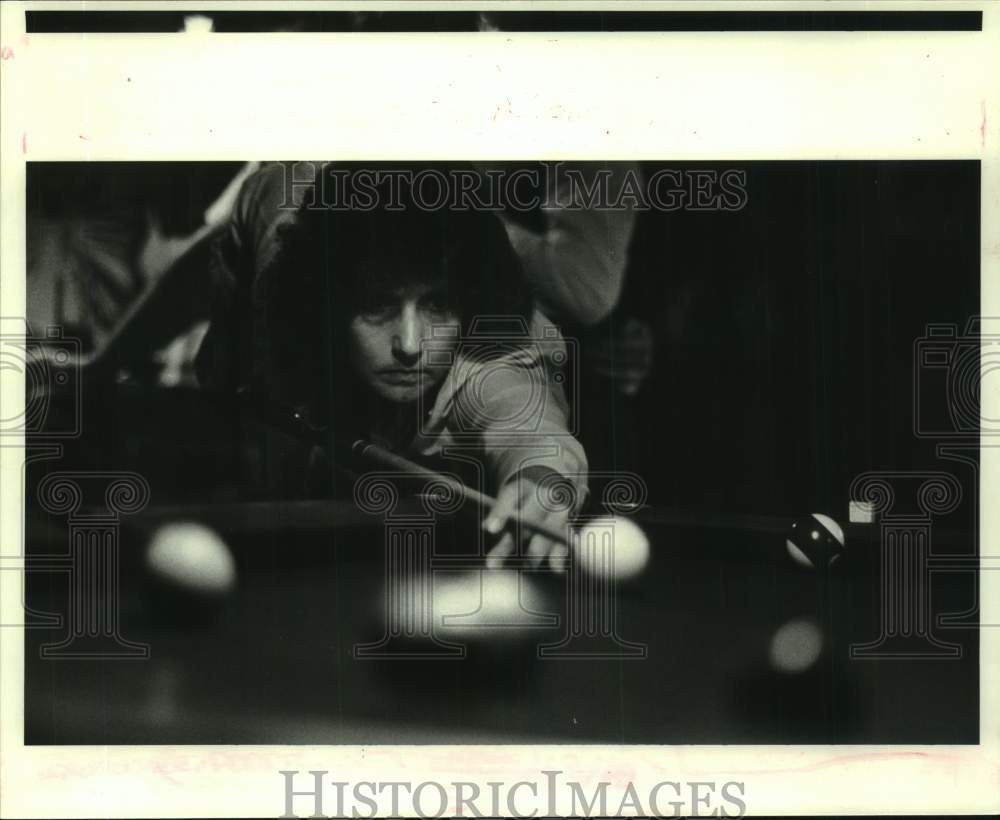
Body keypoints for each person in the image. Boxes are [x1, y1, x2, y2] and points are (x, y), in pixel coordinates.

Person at [197, 164, 588, 570]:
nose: (410, 345)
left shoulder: (495, 355)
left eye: (437, 304)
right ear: (326, 303)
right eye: (376, 304)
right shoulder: (282, 276)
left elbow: (526, 423)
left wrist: (540, 476)